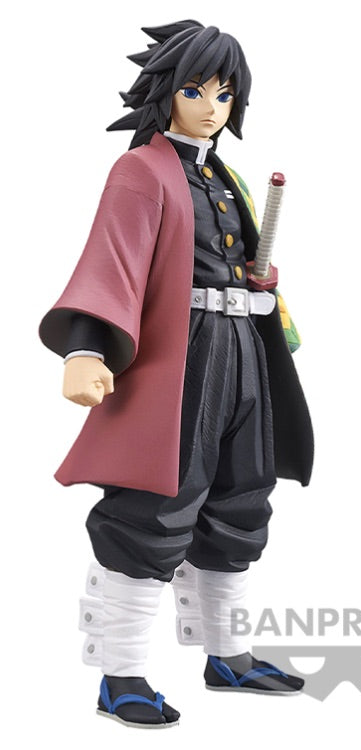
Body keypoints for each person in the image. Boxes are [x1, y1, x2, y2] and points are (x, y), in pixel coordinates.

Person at [39, 19, 314, 729]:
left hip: (242, 350)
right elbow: (112, 260)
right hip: (180, 356)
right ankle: (121, 673)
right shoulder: (142, 169)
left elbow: (230, 259)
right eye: (195, 91)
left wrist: (257, 282)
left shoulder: (225, 176)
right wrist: (85, 351)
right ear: (166, 91)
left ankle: (229, 654)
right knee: (154, 506)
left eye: (225, 94)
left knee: (240, 500)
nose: (211, 107)